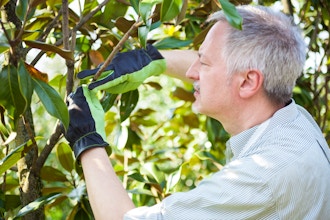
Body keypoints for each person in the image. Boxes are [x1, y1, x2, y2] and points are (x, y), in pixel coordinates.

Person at [65, 5, 330, 220]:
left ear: (249, 82)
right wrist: (152, 61)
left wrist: (87, 140)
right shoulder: (294, 122)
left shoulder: (262, 177)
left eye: (203, 62)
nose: (192, 73)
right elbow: (228, 69)